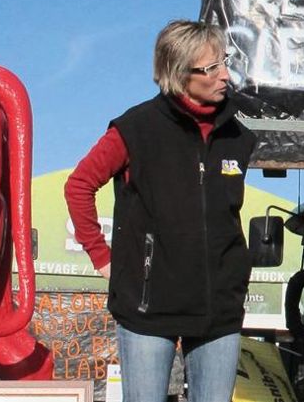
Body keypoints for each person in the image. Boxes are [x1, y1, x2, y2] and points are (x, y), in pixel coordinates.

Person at [65, 20, 255, 402]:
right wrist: (102, 257)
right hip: (148, 308)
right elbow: (78, 186)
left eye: (224, 62)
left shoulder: (239, 138)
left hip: (219, 310)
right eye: (211, 68)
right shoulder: (136, 129)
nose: (225, 75)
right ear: (179, 74)